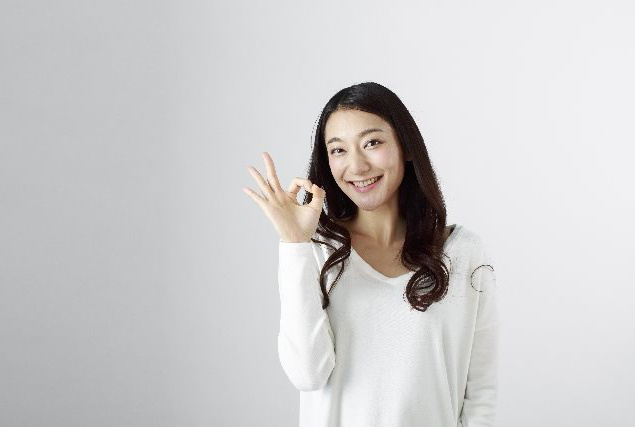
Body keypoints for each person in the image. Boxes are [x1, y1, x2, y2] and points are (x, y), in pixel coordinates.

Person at [242, 82, 499, 427]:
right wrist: (294, 245)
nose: (357, 166)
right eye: (338, 150)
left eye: (372, 143)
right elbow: (308, 375)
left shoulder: (464, 252)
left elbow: (480, 394)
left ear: (406, 147)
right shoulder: (316, 251)